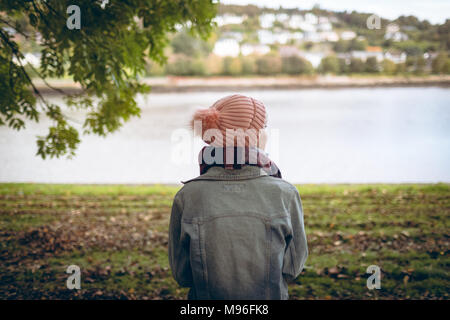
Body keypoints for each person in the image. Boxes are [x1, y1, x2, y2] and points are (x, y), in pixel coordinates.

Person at [168, 94, 308, 300]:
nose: (267, 133)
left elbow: (182, 275)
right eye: (264, 126)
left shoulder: (187, 197)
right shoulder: (285, 194)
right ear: (252, 136)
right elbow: (292, 268)